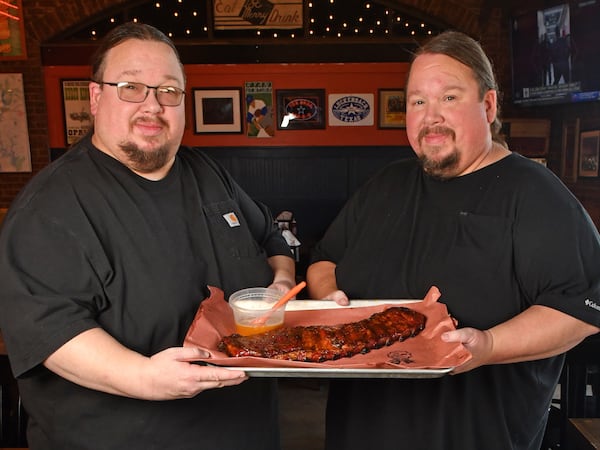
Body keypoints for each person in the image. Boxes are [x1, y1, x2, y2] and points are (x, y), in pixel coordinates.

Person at [0, 22, 296, 450]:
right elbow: (49, 331)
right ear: (96, 98)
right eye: (131, 87)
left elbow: (271, 237)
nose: (152, 106)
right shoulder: (50, 207)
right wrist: (144, 378)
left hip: (250, 430)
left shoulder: (207, 174)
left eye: (168, 91)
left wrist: (281, 285)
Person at [307, 30, 600, 450]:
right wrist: (331, 298)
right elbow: (324, 260)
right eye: (417, 101)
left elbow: (580, 309)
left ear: (488, 104)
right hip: (360, 428)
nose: (431, 116)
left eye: (449, 97)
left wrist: (490, 345)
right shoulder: (385, 185)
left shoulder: (534, 193)